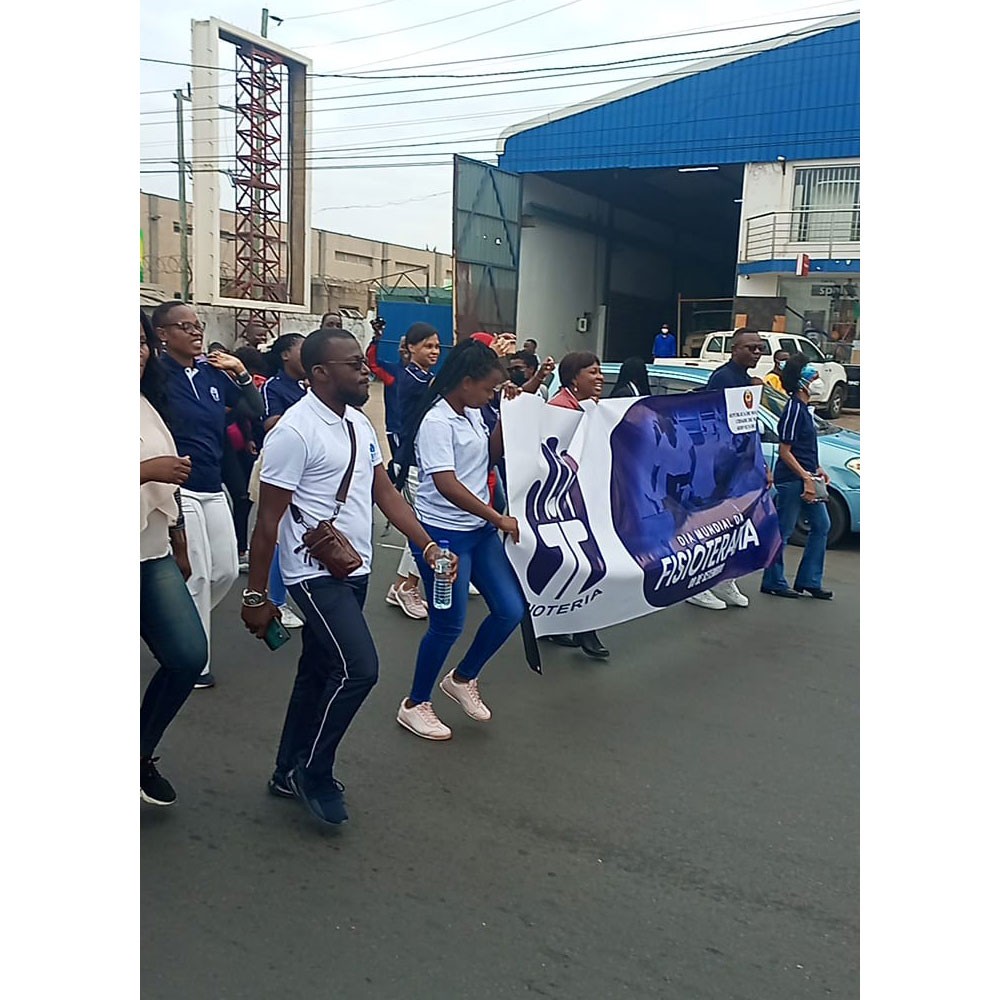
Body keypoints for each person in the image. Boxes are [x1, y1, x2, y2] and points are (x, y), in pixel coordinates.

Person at [240, 327, 455, 825]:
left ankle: (284, 769)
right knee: (359, 669)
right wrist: (255, 596)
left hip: (355, 564)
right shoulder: (295, 432)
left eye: (362, 363)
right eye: (353, 364)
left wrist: (426, 546)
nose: (365, 371)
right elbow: (268, 520)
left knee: (316, 671)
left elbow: (385, 493)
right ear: (319, 374)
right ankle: (314, 770)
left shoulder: (358, 423)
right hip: (312, 570)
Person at [394, 339, 526, 740]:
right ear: (465, 382)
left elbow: (489, 455)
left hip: (478, 533)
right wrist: (497, 517)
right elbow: (446, 483)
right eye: (487, 389)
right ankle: (416, 703)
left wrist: (505, 412)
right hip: (443, 537)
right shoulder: (437, 422)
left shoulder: (470, 412)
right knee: (448, 625)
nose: (490, 395)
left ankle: (463, 678)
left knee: (510, 610)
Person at [152, 300, 266, 688]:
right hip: (177, 488)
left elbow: (253, 408)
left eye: (198, 325)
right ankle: (196, 661)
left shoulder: (210, 373)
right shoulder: (155, 376)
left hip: (213, 485)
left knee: (226, 571)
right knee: (198, 576)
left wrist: (241, 372)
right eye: (184, 326)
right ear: (162, 335)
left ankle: (174, 626)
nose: (196, 331)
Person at [140, 310, 208, 805]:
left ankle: (137, 752)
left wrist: (178, 539)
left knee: (187, 655)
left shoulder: (146, 403)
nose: (138, 351)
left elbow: (171, 480)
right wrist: (144, 470)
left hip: (149, 549)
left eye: (140, 342)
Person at [684, 329, 766, 612]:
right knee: (711, 525)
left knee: (736, 525)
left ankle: (724, 578)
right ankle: (699, 585)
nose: (757, 353)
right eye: (751, 348)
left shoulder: (746, 380)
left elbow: (747, 426)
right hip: (717, 465)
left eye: (760, 348)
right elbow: (715, 422)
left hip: (740, 466)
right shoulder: (723, 378)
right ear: (735, 349)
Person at [544, 352, 610, 660]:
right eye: (592, 372)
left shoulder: (592, 407)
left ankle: (561, 623)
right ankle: (585, 628)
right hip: (564, 500)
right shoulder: (559, 409)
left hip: (588, 498)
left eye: (600, 372)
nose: (599, 377)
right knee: (584, 562)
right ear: (573, 378)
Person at [760, 353, 834, 600]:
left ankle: (810, 580)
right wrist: (805, 477)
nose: (818, 381)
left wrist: (817, 468)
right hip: (792, 479)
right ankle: (773, 580)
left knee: (822, 526)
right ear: (802, 382)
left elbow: (804, 447)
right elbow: (785, 450)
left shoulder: (805, 409)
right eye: (813, 377)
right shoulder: (793, 408)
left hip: (807, 475)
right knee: (785, 529)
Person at [384, 322, 443, 619]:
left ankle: (405, 584)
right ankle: (405, 585)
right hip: (412, 463)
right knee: (423, 527)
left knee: (426, 525)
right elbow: (446, 384)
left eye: (437, 346)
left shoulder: (425, 376)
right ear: (410, 348)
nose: (434, 351)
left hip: (426, 462)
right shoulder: (410, 378)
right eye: (428, 346)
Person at [258, 333, 309, 630]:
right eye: (302, 349)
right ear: (286, 355)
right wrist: (305, 417)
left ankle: (285, 594)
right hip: (281, 468)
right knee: (278, 534)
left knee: (294, 534)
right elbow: (269, 424)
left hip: (304, 470)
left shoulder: (305, 388)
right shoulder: (274, 388)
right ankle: (275, 601)